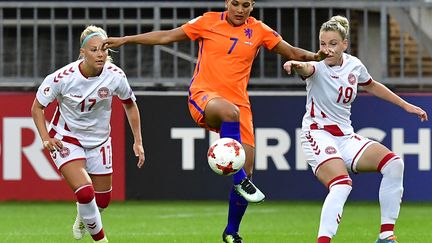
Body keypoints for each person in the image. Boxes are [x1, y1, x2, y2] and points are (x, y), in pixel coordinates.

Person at [104, 1, 327, 242]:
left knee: (247, 168)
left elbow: (292, 52)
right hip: (204, 96)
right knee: (232, 127)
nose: (240, 10)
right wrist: (126, 39)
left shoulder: (259, 30)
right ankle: (239, 180)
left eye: (246, 5)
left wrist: (315, 57)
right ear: (226, 3)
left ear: (252, 7)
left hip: (240, 105)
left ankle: (231, 231)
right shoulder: (208, 21)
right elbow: (167, 36)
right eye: (235, 4)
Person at [283, 15, 428, 243]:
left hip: (345, 137)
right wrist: (295, 64)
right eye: (323, 44)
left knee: (394, 164)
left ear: (344, 44)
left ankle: (386, 235)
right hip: (318, 134)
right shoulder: (317, 67)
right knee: (341, 184)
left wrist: (405, 105)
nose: (327, 49)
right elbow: (306, 68)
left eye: (332, 44)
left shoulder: (354, 65)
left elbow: (372, 85)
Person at [31, 25, 145, 243]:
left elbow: (130, 105)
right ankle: (101, 241)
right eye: (94, 50)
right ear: (82, 52)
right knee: (85, 193)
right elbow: (37, 107)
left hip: (99, 142)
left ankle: (83, 216)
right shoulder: (62, 78)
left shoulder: (116, 76)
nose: (100, 54)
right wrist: (45, 137)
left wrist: (138, 141)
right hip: (67, 138)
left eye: (104, 49)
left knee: (102, 201)